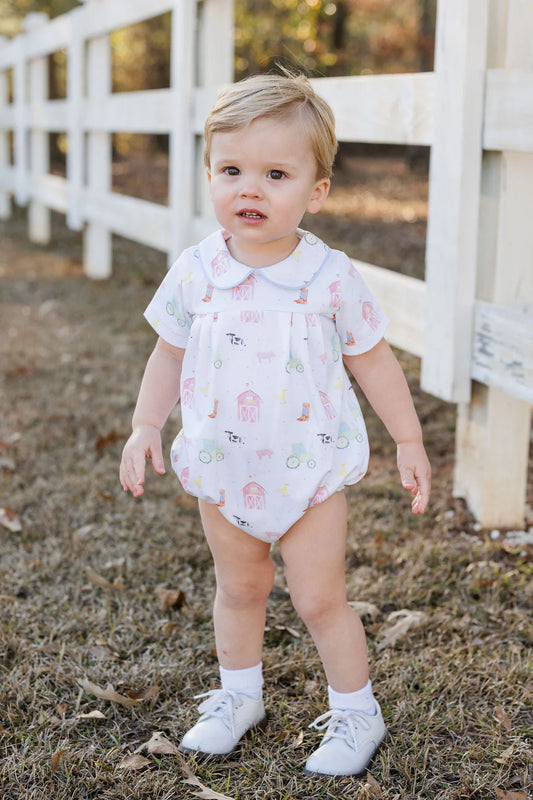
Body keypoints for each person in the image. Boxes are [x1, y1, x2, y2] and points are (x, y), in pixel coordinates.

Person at [119, 71, 431, 777]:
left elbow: (374, 363)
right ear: (207, 175)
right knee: (239, 590)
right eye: (231, 170)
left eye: (274, 174)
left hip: (308, 470)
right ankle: (238, 696)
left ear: (315, 191)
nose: (249, 189)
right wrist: (144, 426)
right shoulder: (196, 271)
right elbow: (167, 357)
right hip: (224, 467)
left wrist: (407, 439)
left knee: (320, 598)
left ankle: (356, 710)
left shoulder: (328, 277)